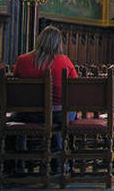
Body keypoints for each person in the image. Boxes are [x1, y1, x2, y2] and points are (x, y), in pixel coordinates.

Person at [14, 25, 78, 167]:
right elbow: (75, 88)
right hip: (58, 113)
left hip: (28, 114)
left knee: (16, 118)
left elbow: (15, 84)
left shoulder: (22, 60)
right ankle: (59, 164)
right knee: (62, 117)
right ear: (58, 43)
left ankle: (19, 163)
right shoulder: (64, 61)